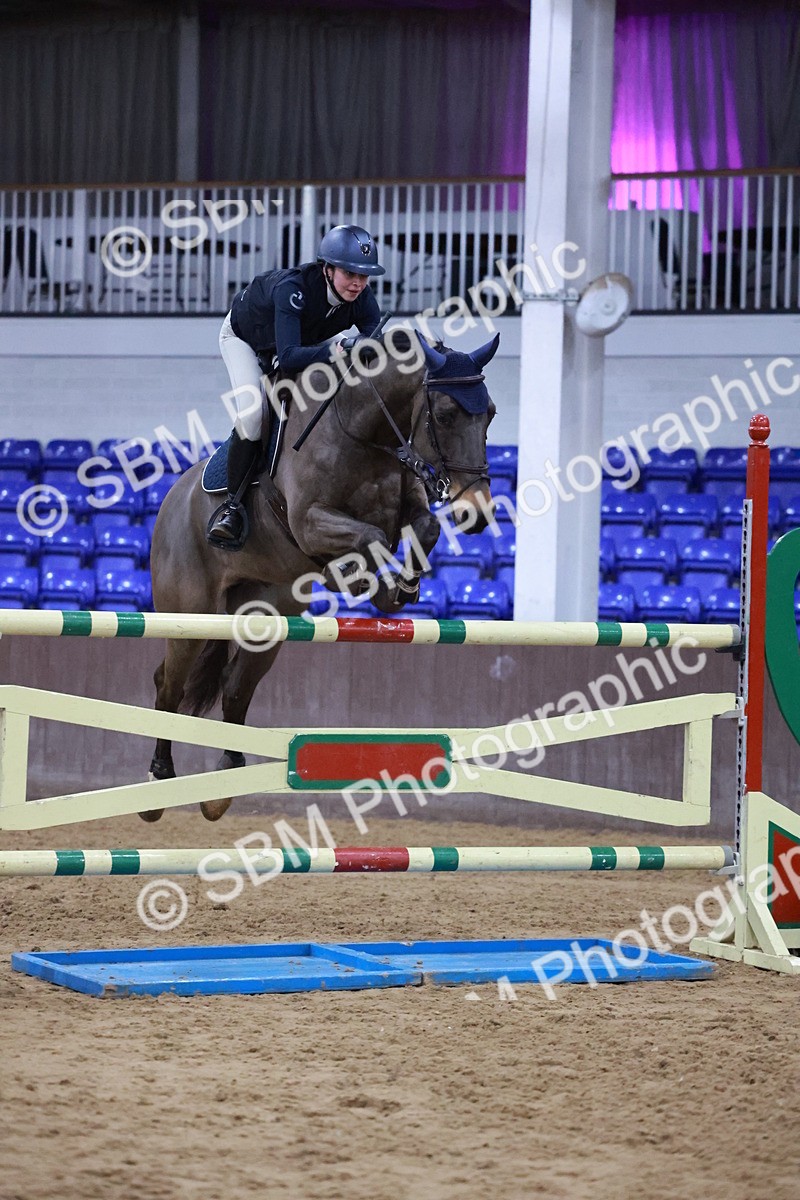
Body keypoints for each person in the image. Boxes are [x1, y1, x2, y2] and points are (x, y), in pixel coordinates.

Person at [208, 224, 385, 547]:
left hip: (303, 336)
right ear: (327, 269)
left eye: (364, 275)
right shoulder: (294, 289)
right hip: (245, 338)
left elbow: (374, 345)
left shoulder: (361, 296)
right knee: (252, 415)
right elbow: (289, 357)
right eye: (349, 273)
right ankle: (231, 507)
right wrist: (343, 349)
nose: (358, 283)